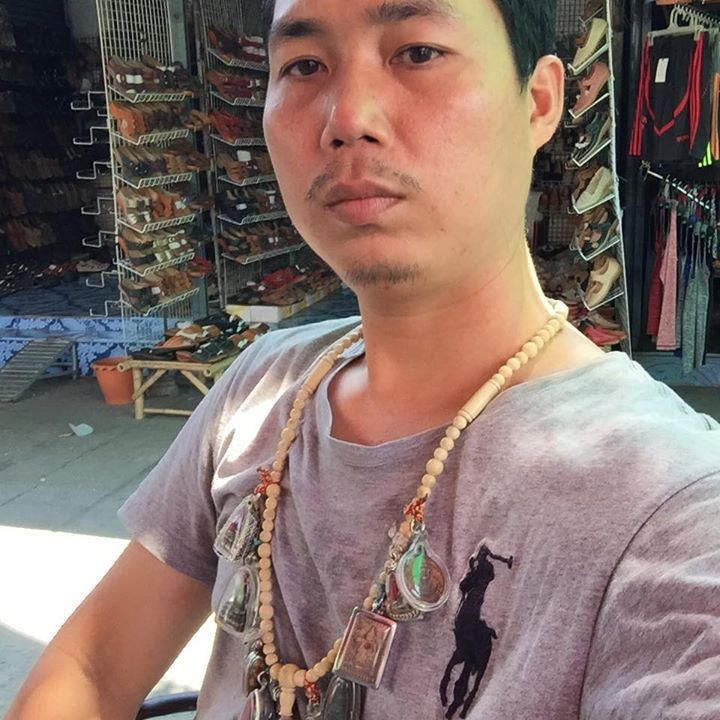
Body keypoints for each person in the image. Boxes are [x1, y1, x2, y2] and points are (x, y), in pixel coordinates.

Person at [8, 1, 720, 718]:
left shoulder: (669, 504)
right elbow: (93, 666)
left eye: (418, 53)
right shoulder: (262, 386)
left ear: (538, 101)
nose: (347, 118)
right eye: (304, 66)